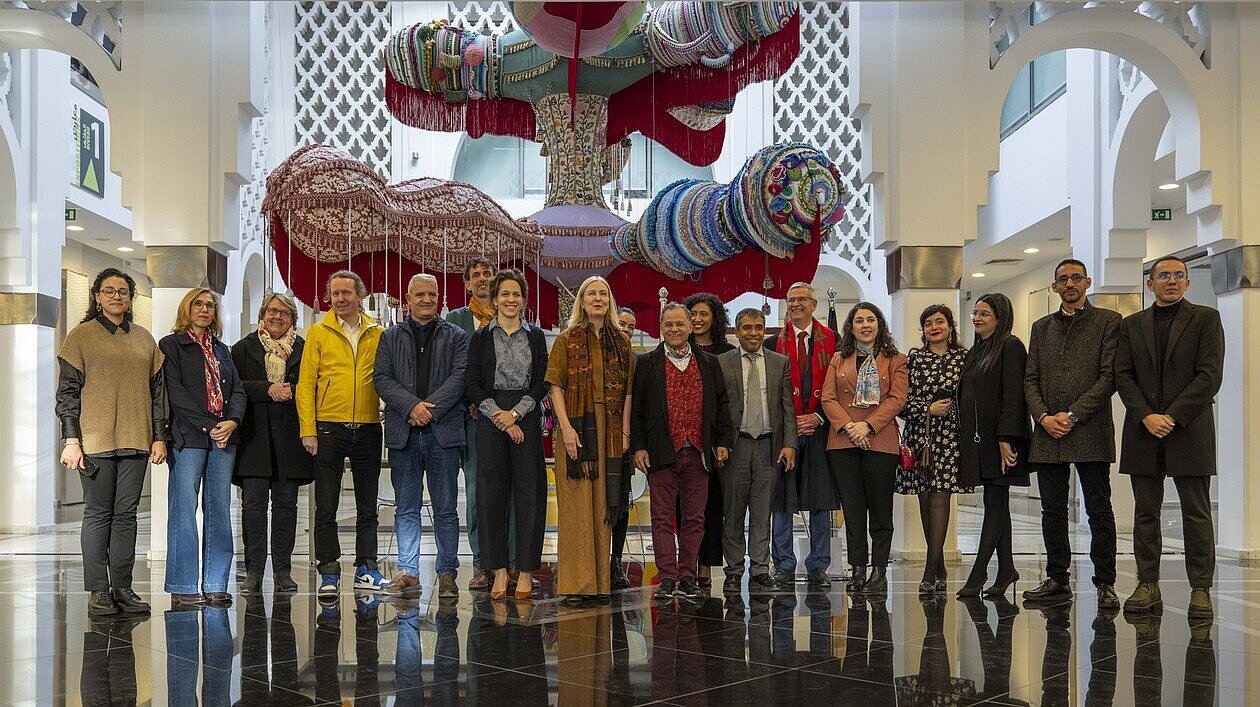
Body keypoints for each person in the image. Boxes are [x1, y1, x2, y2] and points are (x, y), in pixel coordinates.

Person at [1114, 255, 1223, 619]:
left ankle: (1201, 588)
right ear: (1151, 284)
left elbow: (1209, 375)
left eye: (1179, 275)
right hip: (1143, 431)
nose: (1171, 281)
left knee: (1196, 513)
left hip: (1189, 431)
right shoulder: (1131, 325)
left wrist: (1171, 416)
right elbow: (1123, 376)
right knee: (1146, 513)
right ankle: (1147, 583)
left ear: (1188, 283)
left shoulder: (1206, 319)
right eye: (1164, 275)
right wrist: (1146, 415)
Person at [57, 268, 167, 617]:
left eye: (123, 291)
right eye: (109, 291)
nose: (117, 296)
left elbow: (158, 394)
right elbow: (67, 394)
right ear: (97, 297)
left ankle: (123, 588)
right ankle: (98, 592)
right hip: (94, 442)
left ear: (131, 298)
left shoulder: (145, 340)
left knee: (127, 516)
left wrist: (159, 436)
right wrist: (70, 439)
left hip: (136, 440)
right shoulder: (80, 337)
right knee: (98, 514)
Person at [1022, 259, 1122, 609]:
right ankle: (1057, 578)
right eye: (1063, 279)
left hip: (1090, 431)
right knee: (1052, 510)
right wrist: (1043, 416)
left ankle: (1105, 582)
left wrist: (1074, 414)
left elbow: (1109, 377)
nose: (1070, 284)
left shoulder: (1108, 322)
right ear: (1054, 287)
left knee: (1099, 509)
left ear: (1087, 282)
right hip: (1049, 434)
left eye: (1076, 278)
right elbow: (1030, 379)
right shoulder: (1041, 327)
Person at [373, 274, 469, 598]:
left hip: (443, 435)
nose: (427, 299)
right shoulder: (390, 337)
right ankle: (409, 572)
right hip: (404, 434)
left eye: (432, 294)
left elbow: (459, 379)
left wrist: (429, 410)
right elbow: (382, 379)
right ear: (408, 298)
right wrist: (412, 406)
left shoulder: (456, 336)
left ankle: (446, 574)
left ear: (439, 297)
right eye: (420, 294)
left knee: (445, 509)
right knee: (406, 509)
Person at [630, 302, 732, 601]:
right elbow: (636, 411)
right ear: (661, 327)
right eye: (668, 324)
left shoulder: (709, 362)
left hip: (699, 454)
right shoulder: (647, 363)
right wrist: (638, 447)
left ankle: (687, 575)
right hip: (662, 452)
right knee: (661, 519)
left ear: (690, 327)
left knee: (694, 518)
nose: (674, 329)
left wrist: (723, 441)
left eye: (680, 324)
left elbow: (722, 405)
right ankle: (666, 578)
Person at [296, 270, 386, 596]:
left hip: (367, 427)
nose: (341, 299)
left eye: (347, 292)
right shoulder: (318, 332)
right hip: (328, 429)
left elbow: (386, 376)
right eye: (335, 293)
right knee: (326, 506)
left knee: (367, 507)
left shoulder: (378, 332)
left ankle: (366, 568)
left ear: (359, 295)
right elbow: (306, 385)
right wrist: (308, 430)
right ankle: (329, 571)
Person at [547, 276, 635, 606]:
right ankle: (575, 584)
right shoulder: (566, 338)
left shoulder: (621, 341)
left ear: (609, 301)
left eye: (603, 293)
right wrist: (566, 428)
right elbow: (555, 386)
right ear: (582, 302)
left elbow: (627, 390)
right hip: (576, 428)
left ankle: (600, 585)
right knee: (576, 509)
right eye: (591, 293)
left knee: (603, 509)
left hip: (611, 430)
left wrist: (625, 431)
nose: (597, 298)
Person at [160, 287, 246, 608]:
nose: (205, 309)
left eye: (210, 305)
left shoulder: (222, 350)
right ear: (187, 308)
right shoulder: (172, 345)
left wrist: (232, 421)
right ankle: (183, 584)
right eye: (198, 304)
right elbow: (176, 394)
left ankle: (215, 583)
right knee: (184, 510)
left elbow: (237, 390)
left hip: (224, 438)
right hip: (189, 437)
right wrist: (210, 425)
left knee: (219, 509)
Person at [465, 269, 549, 600]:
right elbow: (472, 383)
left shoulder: (536, 336)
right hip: (489, 416)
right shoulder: (482, 337)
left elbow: (542, 381)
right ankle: (498, 570)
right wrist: (500, 416)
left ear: (524, 300)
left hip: (526, 417)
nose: (510, 300)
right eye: (505, 294)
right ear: (495, 299)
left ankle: (526, 571)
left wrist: (515, 415)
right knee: (490, 497)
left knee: (530, 495)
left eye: (516, 294)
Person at [820, 302, 908, 594]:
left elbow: (896, 399)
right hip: (843, 443)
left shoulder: (896, 359)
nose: (865, 325)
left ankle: (879, 571)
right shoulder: (837, 359)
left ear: (879, 324)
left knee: (881, 510)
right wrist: (849, 427)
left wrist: (867, 426)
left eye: (871, 319)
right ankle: (857, 569)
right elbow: (828, 398)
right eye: (859, 321)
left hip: (880, 442)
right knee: (854, 510)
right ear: (851, 327)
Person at [230, 292, 314, 594]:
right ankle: (253, 571)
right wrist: (269, 389)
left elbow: (314, 384)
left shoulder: (305, 349)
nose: (277, 317)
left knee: (286, 507)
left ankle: (282, 571)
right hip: (255, 438)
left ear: (292, 318)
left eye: (284, 313)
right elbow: (234, 386)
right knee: (252, 507)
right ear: (262, 315)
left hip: (290, 438)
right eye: (271, 311)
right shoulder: (242, 348)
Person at [717, 308, 797, 593]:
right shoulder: (722, 362)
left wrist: (790, 444)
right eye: (747, 327)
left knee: (763, 513)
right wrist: (718, 443)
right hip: (735, 447)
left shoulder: (780, 362)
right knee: (734, 512)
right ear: (737, 332)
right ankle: (734, 569)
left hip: (768, 447)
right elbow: (716, 409)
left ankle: (761, 570)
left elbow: (787, 408)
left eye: (759, 327)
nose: (754, 333)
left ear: (765, 331)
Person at [765, 282, 838, 590]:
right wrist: (791, 421)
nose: (795, 304)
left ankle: (818, 565)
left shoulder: (833, 340)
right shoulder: (772, 343)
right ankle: (783, 564)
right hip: (784, 434)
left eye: (801, 299)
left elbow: (840, 388)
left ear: (814, 304)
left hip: (820, 429)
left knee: (820, 501)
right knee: (781, 502)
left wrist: (818, 416)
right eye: (791, 300)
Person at [956, 293, 1029, 598]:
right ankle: (1007, 569)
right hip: (980, 441)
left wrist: (1005, 439)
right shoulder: (977, 351)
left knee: (995, 504)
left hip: (1001, 441)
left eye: (985, 313)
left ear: (1000, 317)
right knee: (996, 504)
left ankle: (978, 573)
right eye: (975, 313)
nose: (977, 318)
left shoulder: (1010, 346)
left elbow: (1014, 396)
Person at [895, 304, 970, 596]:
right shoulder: (913, 360)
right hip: (920, 438)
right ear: (923, 330)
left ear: (950, 327)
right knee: (925, 501)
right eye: (928, 323)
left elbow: (971, 399)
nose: (934, 327)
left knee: (941, 499)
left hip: (951, 437)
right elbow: (900, 402)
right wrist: (927, 408)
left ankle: (929, 569)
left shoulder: (964, 359)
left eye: (940, 321)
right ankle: (938, 567)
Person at [447, 257, 501, 590]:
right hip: (472, 417)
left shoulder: (510, 313)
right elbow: (453, 368)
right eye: (475, 275)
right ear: (467, 283)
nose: (481, 279)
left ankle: (507, 563)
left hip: (508, 417)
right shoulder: (457, 319)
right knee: (477, 492)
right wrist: (473, 402)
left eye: (487, 273)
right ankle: (482, 563)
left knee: (506, 492)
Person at [684, 292, 736, 587]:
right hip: (685, 439)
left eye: (705, 314)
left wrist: (723, 441)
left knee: (712, 507)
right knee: (687, 507)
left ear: (714, 318)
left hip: (715, 441)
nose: (699, 320)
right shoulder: (679, 349)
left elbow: (727, 400)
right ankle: (687, 562)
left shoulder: (727, 352)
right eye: (694, 315)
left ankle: (705, 564)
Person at [610, 305, 640, 590]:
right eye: (622, 323)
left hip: (624, 445)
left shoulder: (637, 361)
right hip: (596, 442)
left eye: (631, 326)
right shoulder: (600, 354)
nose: (626, 329)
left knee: (620, 506)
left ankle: (615, 562)